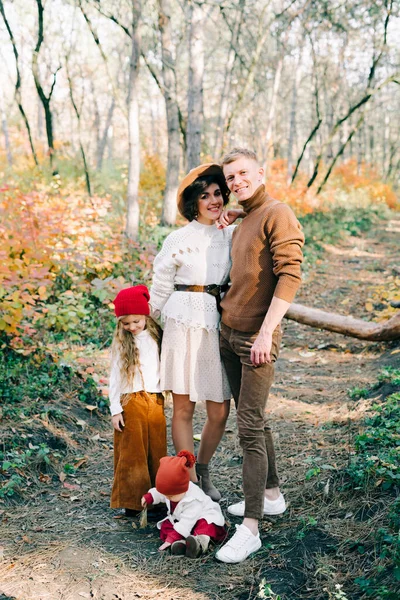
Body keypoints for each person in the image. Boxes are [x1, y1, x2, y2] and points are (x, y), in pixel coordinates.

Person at [215, 148, 305, 564]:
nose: (236, 182)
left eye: (243, 174)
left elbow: (290, 273)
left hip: (256, 338)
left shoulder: (277, 212)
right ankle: (270, 496)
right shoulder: (245, 217)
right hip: (229, 333)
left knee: (248, 427)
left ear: (261, 172)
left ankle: (250, 528)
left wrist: (266, 332)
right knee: (254, 419)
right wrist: (236, 216)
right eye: (230, 177)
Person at [150, 164, 233, 501]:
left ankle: (204, 466)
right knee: (184, 408)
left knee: (219, 411)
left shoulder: (231, 234)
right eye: (204, 196)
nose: (212, 200)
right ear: (193, 202)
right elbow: (160, 286)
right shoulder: (178, 238)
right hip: (181, 321)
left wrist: (235, 212)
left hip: (216, 323)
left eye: (217, 194)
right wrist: (145, 327)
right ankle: (190, 480)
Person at [109, 285, 167, 517]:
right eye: (126, 323)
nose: (132, 327)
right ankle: (133, 502)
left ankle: (157, 499)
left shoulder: (156, 337)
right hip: (130, 401)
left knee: (156, 450)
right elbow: (114, 377)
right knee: (132, 452)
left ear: (145, 316)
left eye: (136, 321)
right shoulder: (122, 344)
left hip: (154, 400)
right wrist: (115, 410)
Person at [141, 450, 226, 558]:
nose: (167, 498)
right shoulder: (172, 492)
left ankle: (199, 544)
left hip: (201, 516)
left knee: (205, 527)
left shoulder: (193, 499)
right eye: (166, 495)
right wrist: (149, 497)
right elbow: (160, 493)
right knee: (166, 527)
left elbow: (187, 521)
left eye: (171, 496)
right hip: (181, 519)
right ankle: (181, 544)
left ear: (183, 488)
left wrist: (172, 537)